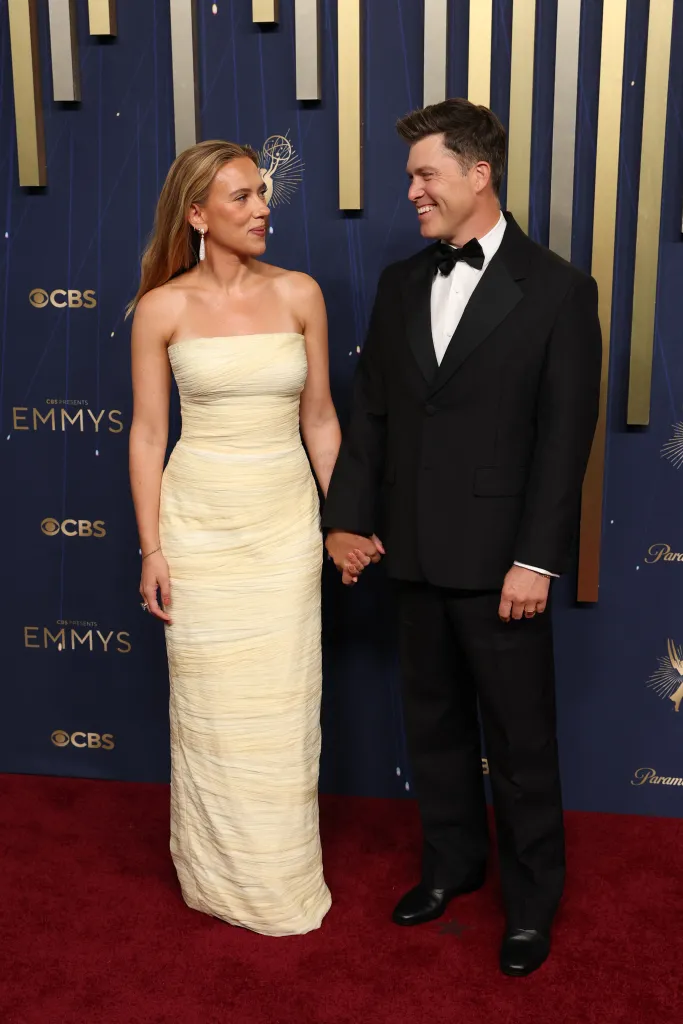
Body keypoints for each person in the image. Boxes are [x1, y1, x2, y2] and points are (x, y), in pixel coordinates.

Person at [323, 99, 602, 976]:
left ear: (478, 175)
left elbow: (565, 440)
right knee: (433, 727)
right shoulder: (403, 283)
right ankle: (450, 865)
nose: (410, 191)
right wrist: (344, 518)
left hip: (500, 563)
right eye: (411, 177)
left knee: (519, 744)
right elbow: (371, 419)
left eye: (423, 175)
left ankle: (530, 903)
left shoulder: (557, 287)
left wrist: (536, 558)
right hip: (407, 550)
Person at [128, 140, 339, 936]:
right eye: (242, 197)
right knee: (213, 709)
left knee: (280, 707)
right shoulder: (163, 308)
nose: (262, 209)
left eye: (262, 194)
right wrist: (152, 548)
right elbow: (149, 436)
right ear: (197, 214)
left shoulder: (301, 295)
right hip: (199, 527)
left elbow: (319, 419)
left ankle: (281, 878)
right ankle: (216, 876)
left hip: (283, 524)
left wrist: (342, 517)